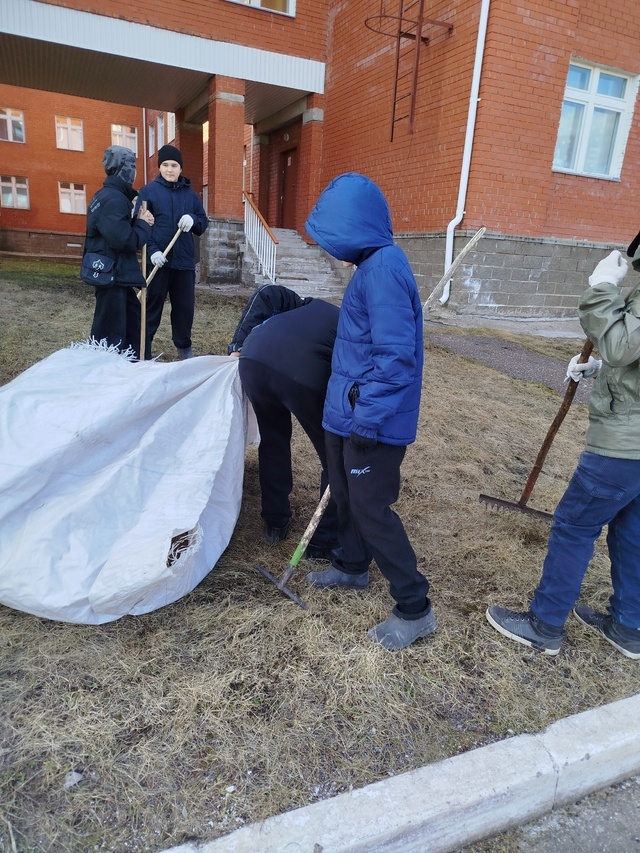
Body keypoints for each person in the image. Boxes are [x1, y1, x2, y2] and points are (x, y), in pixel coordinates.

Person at [303, 172, 436, 652]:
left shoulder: (382, 272)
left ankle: (414, 607)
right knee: (344, 494)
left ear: (353, 228)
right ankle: (351, 566)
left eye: (331, 236)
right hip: (349, 414)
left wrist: (367, 420)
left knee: (371, 508)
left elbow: (395, 357)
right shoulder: (370, 266)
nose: (327, 247)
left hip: (372, 422)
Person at [486, 249, 640, 659]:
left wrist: (602, 288)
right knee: (632, 532)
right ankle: (628, 626)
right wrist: (600, 370)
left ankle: (544, 624)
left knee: (574, 526)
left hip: (624, 448)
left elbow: (623, 346)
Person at [229, 284, 340, 558]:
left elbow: (267, 292)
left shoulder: (307, 308)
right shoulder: (349, 322)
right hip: (300, 373)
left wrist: (237, 343)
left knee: (273, 441)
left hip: (253, 360)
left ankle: (275, 522)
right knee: (334, 455)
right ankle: (321, 540)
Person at [134, 144, 208, 360]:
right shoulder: (149, 192)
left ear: (180, 168)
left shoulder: (191, 195)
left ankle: (184, 350)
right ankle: (142, 351)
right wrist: (152, 252)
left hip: (184, 264)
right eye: (165, 165)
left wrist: (193, 219)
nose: (169, 169)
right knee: (151, 307)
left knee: (184, 310)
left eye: (174, 165)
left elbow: (202, 224)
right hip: (158, 262)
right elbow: (140, 225)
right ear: (159, 167)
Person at [86, 145, 154, 358]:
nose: (134, 173)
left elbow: (115, 231)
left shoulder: (107, 196)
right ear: (123, 169)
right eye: (132, 166)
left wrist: (136, 221)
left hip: (116, 276)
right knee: (111, 336)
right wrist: (143, 224)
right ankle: (107, 378)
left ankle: (136, 366)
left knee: (133, 326)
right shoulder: (114, 199)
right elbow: (123, 240)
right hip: (113, 276)